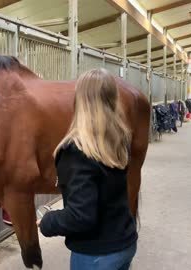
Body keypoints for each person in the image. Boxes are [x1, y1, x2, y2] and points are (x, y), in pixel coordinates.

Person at [38, 68, 137, 270]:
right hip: (124, 242)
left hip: (96, 255)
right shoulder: (119, 138)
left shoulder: (76, 151)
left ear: (79, 101)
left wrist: (48, 221)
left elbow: (81, 216)